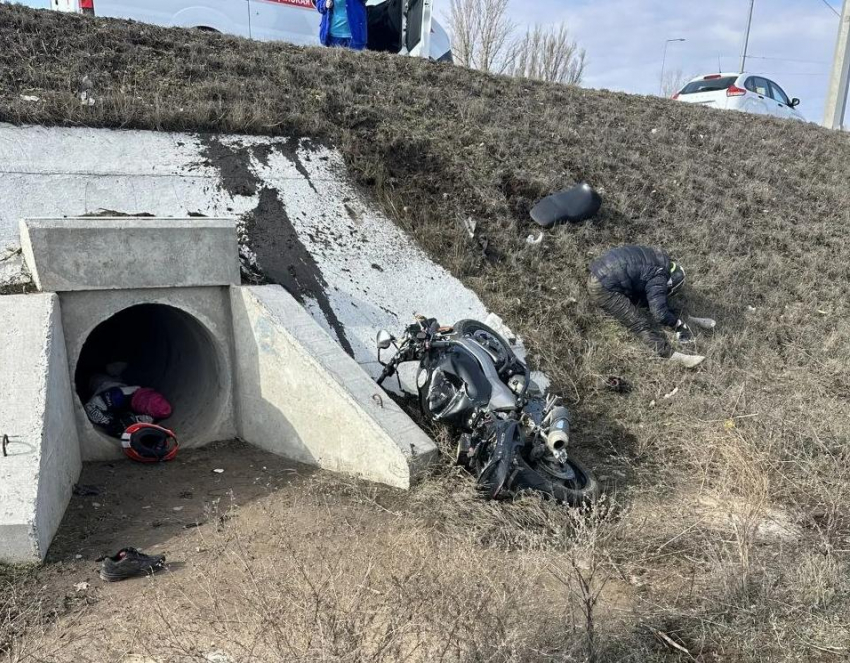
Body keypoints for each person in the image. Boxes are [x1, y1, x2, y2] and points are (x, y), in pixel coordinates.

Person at [587, 245, 713, 368]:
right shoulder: (659, 276)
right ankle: (672, 355)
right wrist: (676, 324)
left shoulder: (658, 257)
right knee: (638, 323)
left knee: (649, 300)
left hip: (601, 269)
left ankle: (688, 317)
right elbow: (659, 314)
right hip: (602, 288)